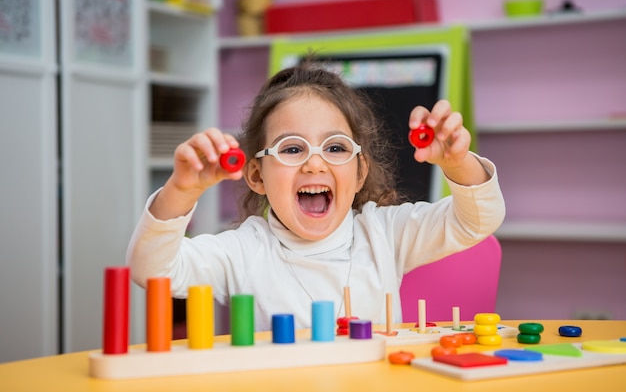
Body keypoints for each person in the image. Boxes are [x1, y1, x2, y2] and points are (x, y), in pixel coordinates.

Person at [127, 62, 505, 332]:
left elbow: (478, 220)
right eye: (292, 149)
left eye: (336, 148)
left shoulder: (384, 233)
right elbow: (152, 271)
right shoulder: (245, 250)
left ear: (360, 172)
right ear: (257, 175)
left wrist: (456, 162)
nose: (314, 164)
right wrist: (182, 190)